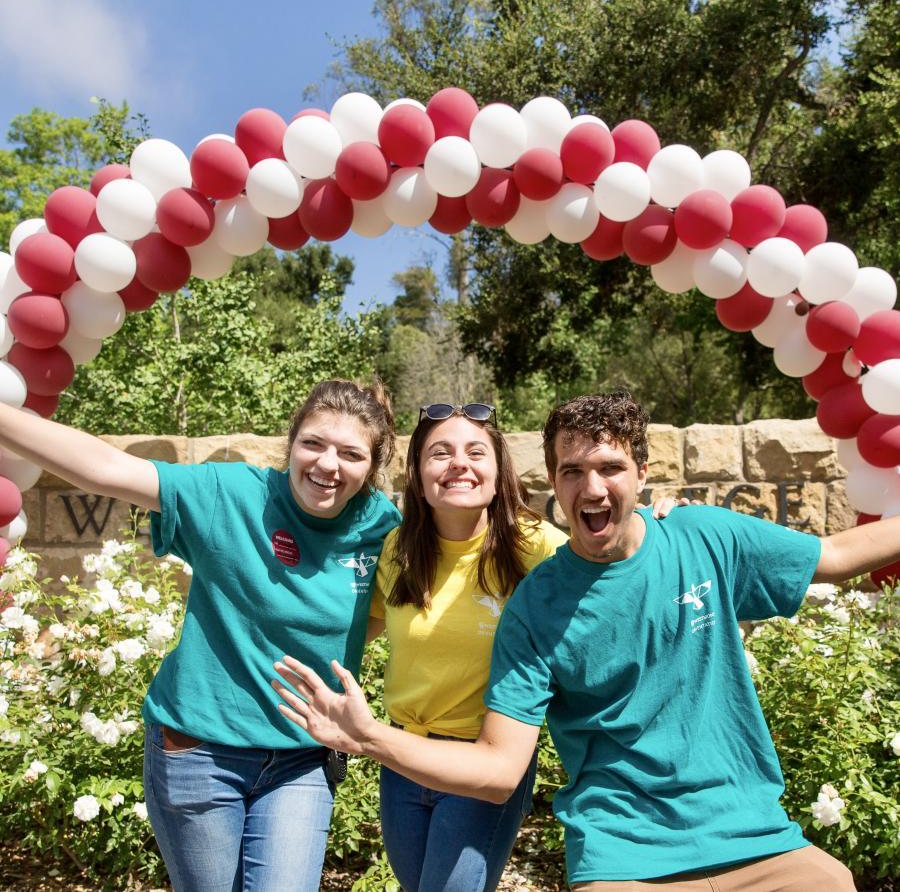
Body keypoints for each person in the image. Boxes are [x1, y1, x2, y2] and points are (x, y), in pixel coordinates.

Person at [273, 390, 900, 891]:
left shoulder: (698, 539)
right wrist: (365, 731)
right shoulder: (519, 599)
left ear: (643, 474)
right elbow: (356, 625)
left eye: (610, 468)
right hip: (619, 847)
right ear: (553, 480)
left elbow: (839, 553)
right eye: (573, 471)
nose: (593, 489)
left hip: (755, 836)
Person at [0, 379, 400, 892]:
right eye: (314, 443)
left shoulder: (384, 530)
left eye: (351, 453)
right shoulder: (231, 495)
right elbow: (103, 467)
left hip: (302, 760)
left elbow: (382, 616)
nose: (328, 465)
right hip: (199, 754)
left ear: (371, 466)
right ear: (291, 443)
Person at [368, 401, 568, 891]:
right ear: (416, 474)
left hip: (482, 762)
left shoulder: (536, 546)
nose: (459, 462)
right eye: (440, 453)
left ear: (499, 473)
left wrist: (655, 522)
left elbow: (616, 565)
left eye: (475, 451)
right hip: (402, 760)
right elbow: (357, 627)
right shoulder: (397, 549)